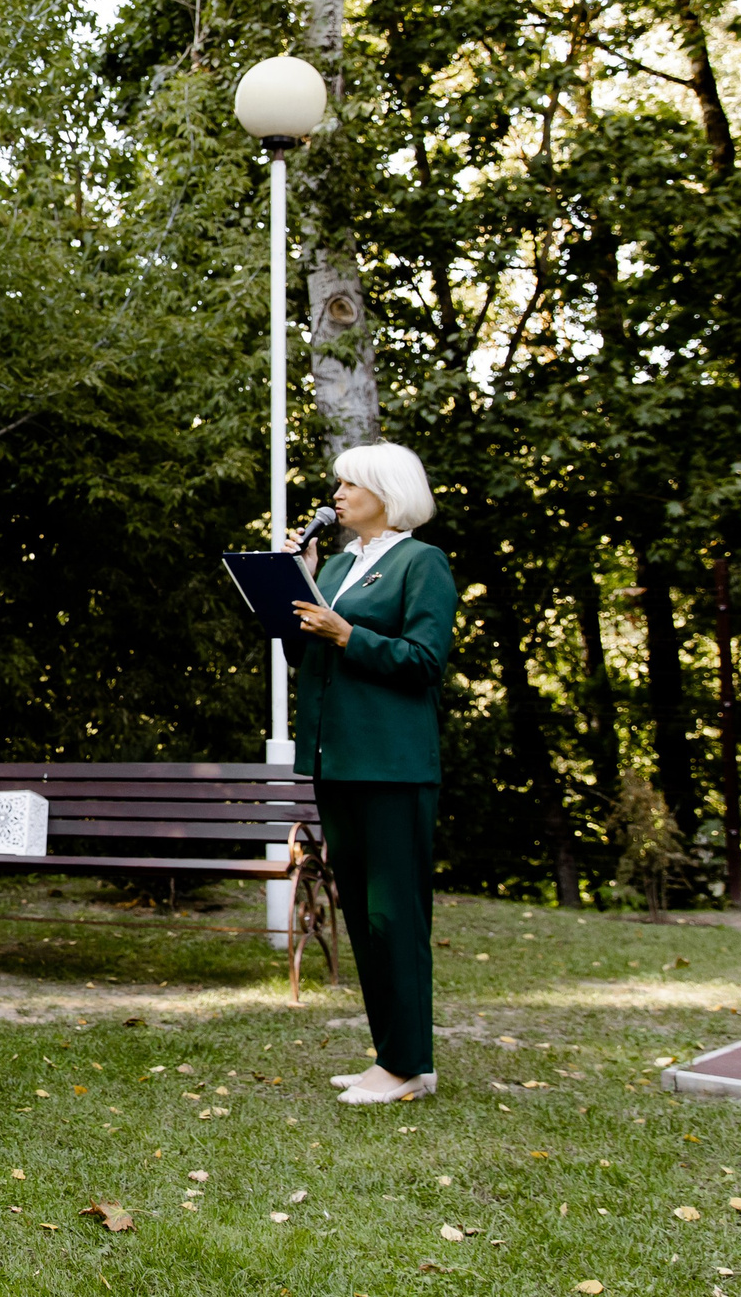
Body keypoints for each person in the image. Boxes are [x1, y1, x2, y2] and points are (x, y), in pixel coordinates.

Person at [285, 441, 457, 1106]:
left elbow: (422, 661)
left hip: (392, 764)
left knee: (395, 915)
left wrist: (346, 633)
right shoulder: (337, 566)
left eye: (351, 484)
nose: (338, 494)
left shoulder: (423, 562)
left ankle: (407, 1064)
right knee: (362, 912)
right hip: (338, 759)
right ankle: (396, 1056)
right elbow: (303, 648)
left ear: (387, 491)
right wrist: (298, 584)